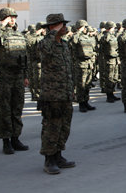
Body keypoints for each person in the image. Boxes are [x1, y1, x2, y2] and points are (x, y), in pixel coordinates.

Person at [38, 13, 75, 174]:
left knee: (64, 127)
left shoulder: (65, 44)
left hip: (65, 93)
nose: (65, 27)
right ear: (53, 27)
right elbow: (45, 46)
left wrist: (71, 90)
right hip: (52, 95)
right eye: (61, 25)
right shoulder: (46, 43)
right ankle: (49, 159)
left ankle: (59, 155)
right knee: (51, 127)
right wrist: (53, 31)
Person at [0, 7, 29, 154]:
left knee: (17, 108)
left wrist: (26, 75)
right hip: (5, 76)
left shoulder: (19, 35)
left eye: (14, 17)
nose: (12, 19)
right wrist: (1, 25)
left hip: (18, 76)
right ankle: (6, 141)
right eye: (9, 17)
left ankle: (16, 138)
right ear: (3, 18)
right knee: (5, 109)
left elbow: (25, 57)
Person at [70, 20, 96, 113]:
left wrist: (92, 63)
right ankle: (81, 103)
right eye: (84, 27)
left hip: (88, 64)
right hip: (80, 64)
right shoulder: (75, 37)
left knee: (87, 85)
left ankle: (86, 101)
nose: (86, 29)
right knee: (81, 85)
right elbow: (72, 44)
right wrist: (78, 31)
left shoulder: (86, 37)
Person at [99, 21, 121, 103]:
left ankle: (112, 93)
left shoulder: (112, 36)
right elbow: (102, 49)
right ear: (109, 28)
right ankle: (109, 95)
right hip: (109, 59)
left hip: (114, 59)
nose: (114, 29)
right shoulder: (105, 37)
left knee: (114, 78)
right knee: (109, 78)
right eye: (113, 28)